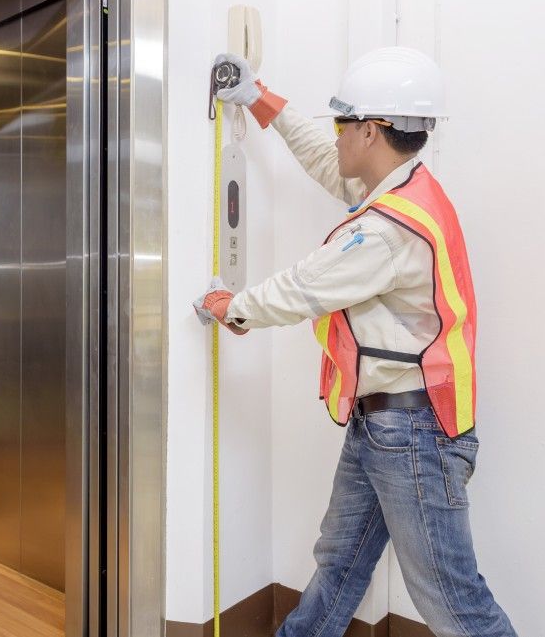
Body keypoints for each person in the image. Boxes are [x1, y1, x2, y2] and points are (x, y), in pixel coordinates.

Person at [194, 47, 518, 637]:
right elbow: (326, 160)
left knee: (454, 604)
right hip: (384, 426)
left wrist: (229, 308)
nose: (334, 133)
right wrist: (260, 99)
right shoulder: (406, 189)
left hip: (413, 438)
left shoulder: (387, 228)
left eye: (342, 122)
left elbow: (303, 287)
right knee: (338, 565)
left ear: (370, 131)